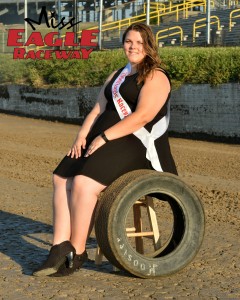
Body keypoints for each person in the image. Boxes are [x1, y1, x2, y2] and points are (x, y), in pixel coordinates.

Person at [33, 23, 177, 277]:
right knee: (60, 177)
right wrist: (81, 136)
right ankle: (58, 247)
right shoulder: (117, 74)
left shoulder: (156, 76)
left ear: (149, 46)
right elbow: (99, 108)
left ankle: (77, 252)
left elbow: (142, 117)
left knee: (82, 184)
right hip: (103, 139)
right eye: (129, 42)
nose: (133, 47)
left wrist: (104, 136)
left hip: (135, 145)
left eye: (139, 43)